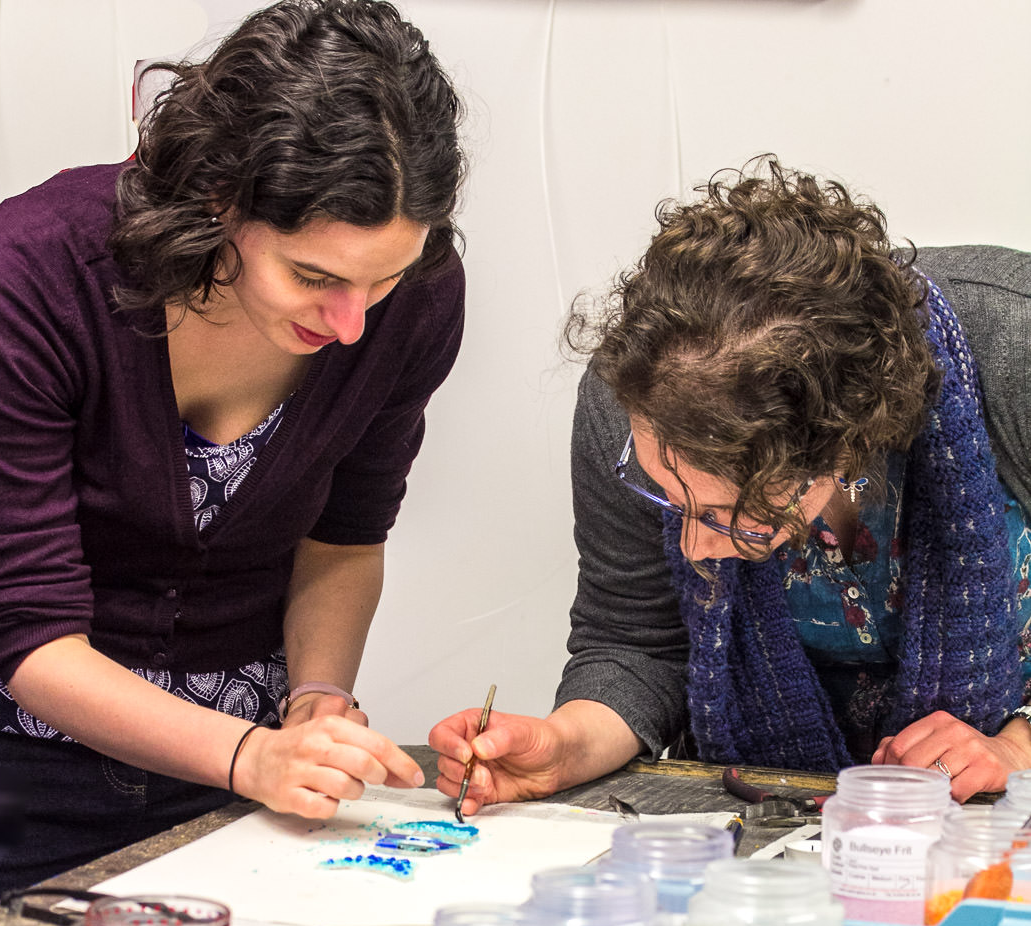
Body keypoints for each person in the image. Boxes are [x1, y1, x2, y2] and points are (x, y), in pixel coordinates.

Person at [0, 0, 466, 899]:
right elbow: (30, 633)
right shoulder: (29, 278)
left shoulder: (420, 303)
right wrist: (247, 754)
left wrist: (317, 700)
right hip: (19, 779)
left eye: (384, 279)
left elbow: (346, 540)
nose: (353, 324)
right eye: (314, 277)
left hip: (244, 790)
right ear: (218, 197)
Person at [431, 158, 1031, 814]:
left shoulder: (1014, 356)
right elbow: (636, 642)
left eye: (730, 517)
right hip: (767, 808)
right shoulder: (626, 401)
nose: (695, 549)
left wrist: (1015, 749)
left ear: (847, 445)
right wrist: (562, 746)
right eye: (667, 495)